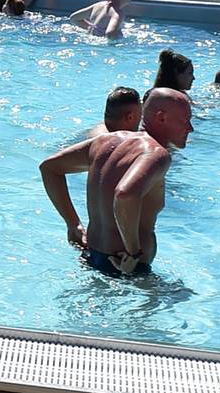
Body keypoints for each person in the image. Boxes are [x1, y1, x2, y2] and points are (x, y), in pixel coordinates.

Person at [35, 88, 192, 277]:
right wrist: (134, 253)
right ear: (161, 118)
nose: (190, 128)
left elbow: (50, 168)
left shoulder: (104, 142)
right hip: (127, 268)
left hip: (91, 257)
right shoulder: (156, 154)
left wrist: (73, 224)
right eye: (185, 120)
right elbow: (125, 194)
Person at [68, 0, 133, 38]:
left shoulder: (98, 5)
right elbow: (110, 33)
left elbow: (74, 18)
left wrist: (93, 28)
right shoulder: (117, 13)